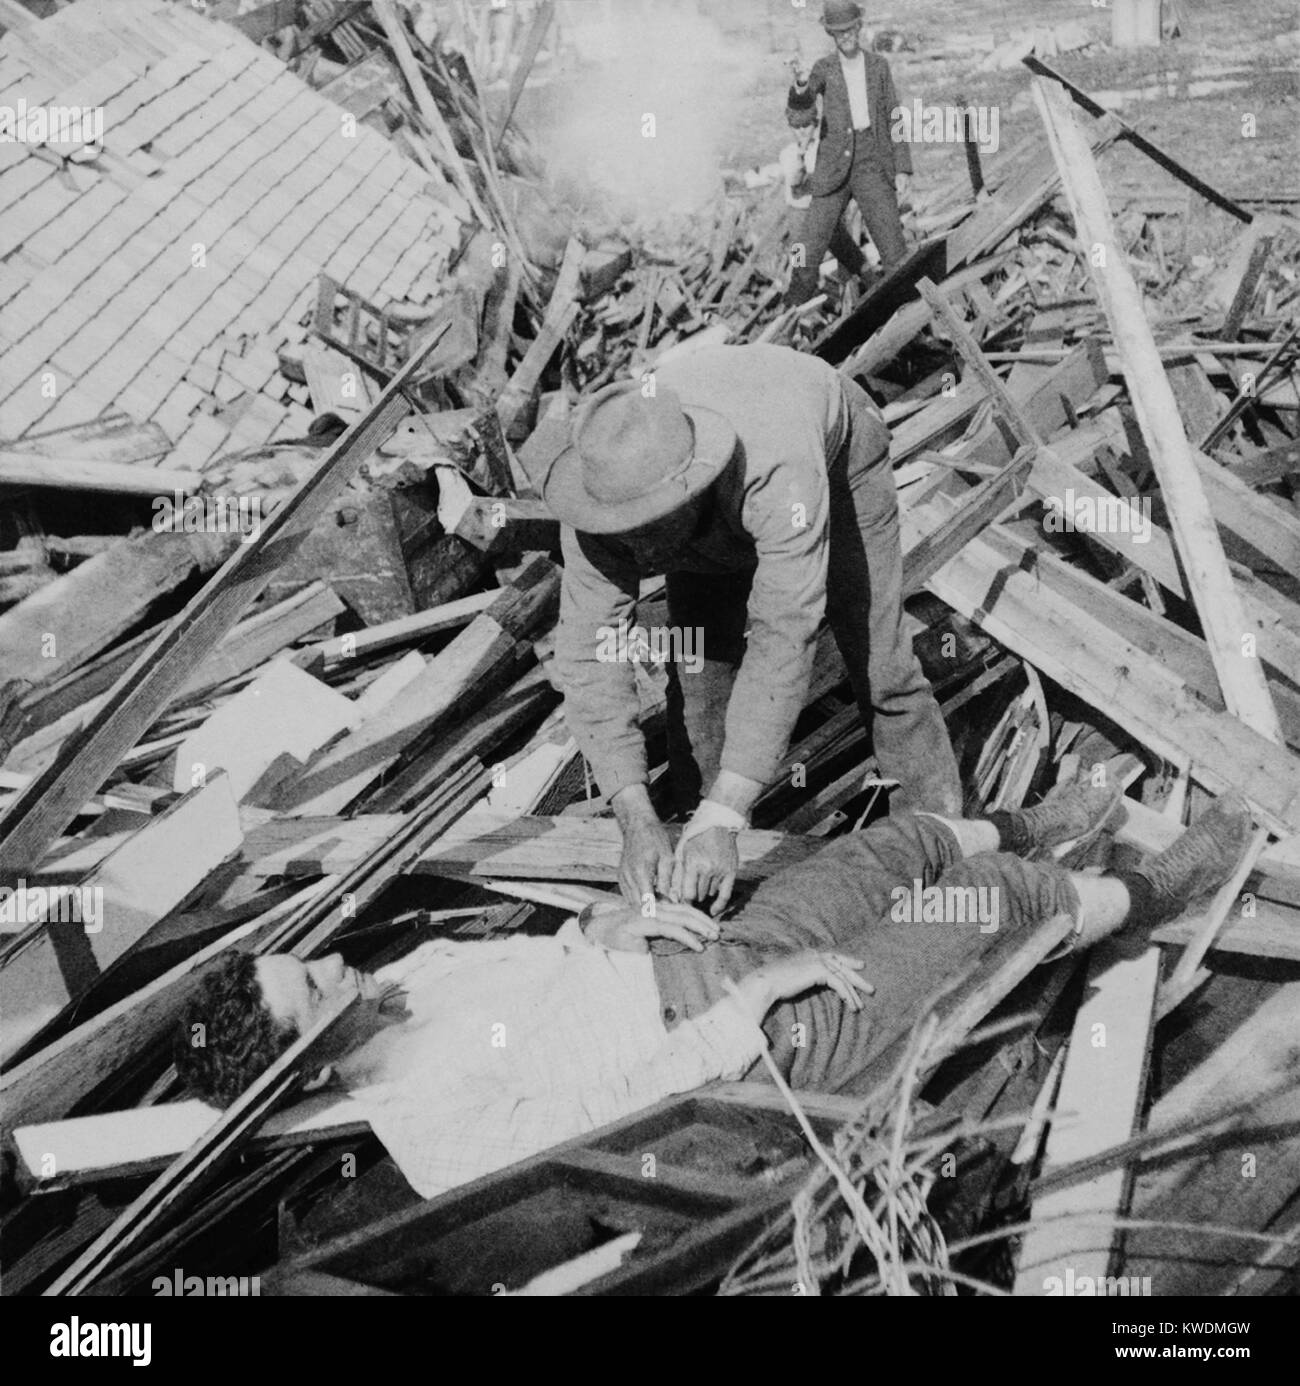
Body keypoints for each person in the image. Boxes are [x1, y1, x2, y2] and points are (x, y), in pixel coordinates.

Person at [176, 777, 1250, 1201]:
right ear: (306, 1056)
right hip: (753, 1039)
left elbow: (564, 950)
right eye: (311, 983)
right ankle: (1155, 888)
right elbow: (631, 1107)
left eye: (305, 954)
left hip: (707, 956)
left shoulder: (400, 978)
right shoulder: (437, 1135)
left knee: (900, 844)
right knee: (976, 901)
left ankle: (1043, 821)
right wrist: (757, 996)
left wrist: (614, 919)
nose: (332, 960)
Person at [545, 342, 962, 917]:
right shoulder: (601, 496)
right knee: (701, 684)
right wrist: (635, 818)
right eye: (622, 533)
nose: (633, 551)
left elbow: (784, 637)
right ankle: (698, 861)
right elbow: (591, 657)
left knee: (878, 664)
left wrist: (728, 814)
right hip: (709, 502)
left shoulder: (778, 470)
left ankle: (940, 849)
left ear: (689, 493)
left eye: (645, 532)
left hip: (836, 460)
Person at [785, 0, 912, 307]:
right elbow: (799, 115)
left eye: (850, 29)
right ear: (831, 34)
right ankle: (787, 317)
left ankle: (912, 322)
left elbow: (894, 117)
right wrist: (801, 84)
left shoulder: (879, 67)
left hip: (872, 164)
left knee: (895, 251)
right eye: (839, 32)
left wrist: (902, 167)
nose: (846, 36)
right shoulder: (822, 69)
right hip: (831, 171)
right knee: (805, 249)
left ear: (859, 26)